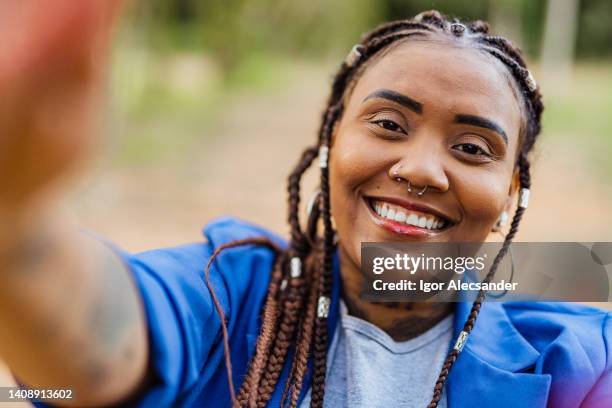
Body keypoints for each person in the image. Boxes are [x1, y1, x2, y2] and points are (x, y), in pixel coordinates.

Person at [0, 4, 610, 408]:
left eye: (472, 147)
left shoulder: (570, 359)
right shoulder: (232, 294)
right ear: (330, 141)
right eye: (389, 123)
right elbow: (94, 358)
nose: (421, 169)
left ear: (510, 193)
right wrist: (16, 225)